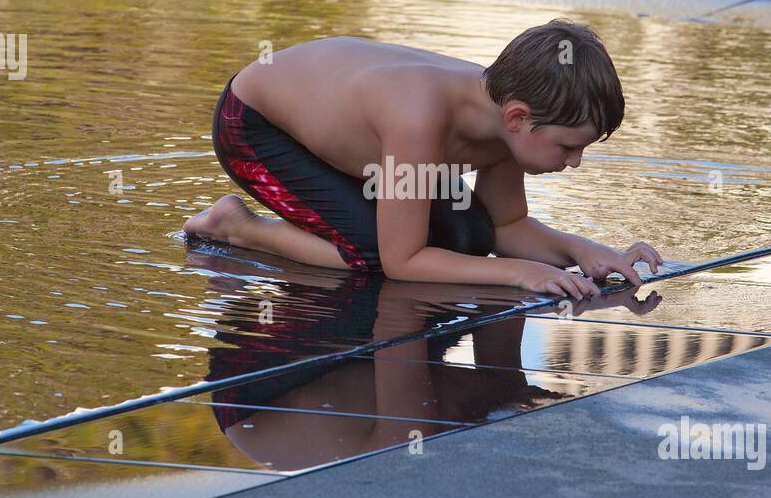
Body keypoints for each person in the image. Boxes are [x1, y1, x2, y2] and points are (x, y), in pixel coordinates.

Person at [184, 18, 662, 298]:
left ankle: (332, 204)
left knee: (470, 234)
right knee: (369, 254)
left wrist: (587, 253)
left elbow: (507, 229)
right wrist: (522, 272)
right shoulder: (419, 118)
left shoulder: (507, 113)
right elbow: (403, 261)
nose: (575, 162)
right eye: (567, 146)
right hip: (257, 125)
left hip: (353, 138)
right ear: (518, 118)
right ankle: (236, 227)